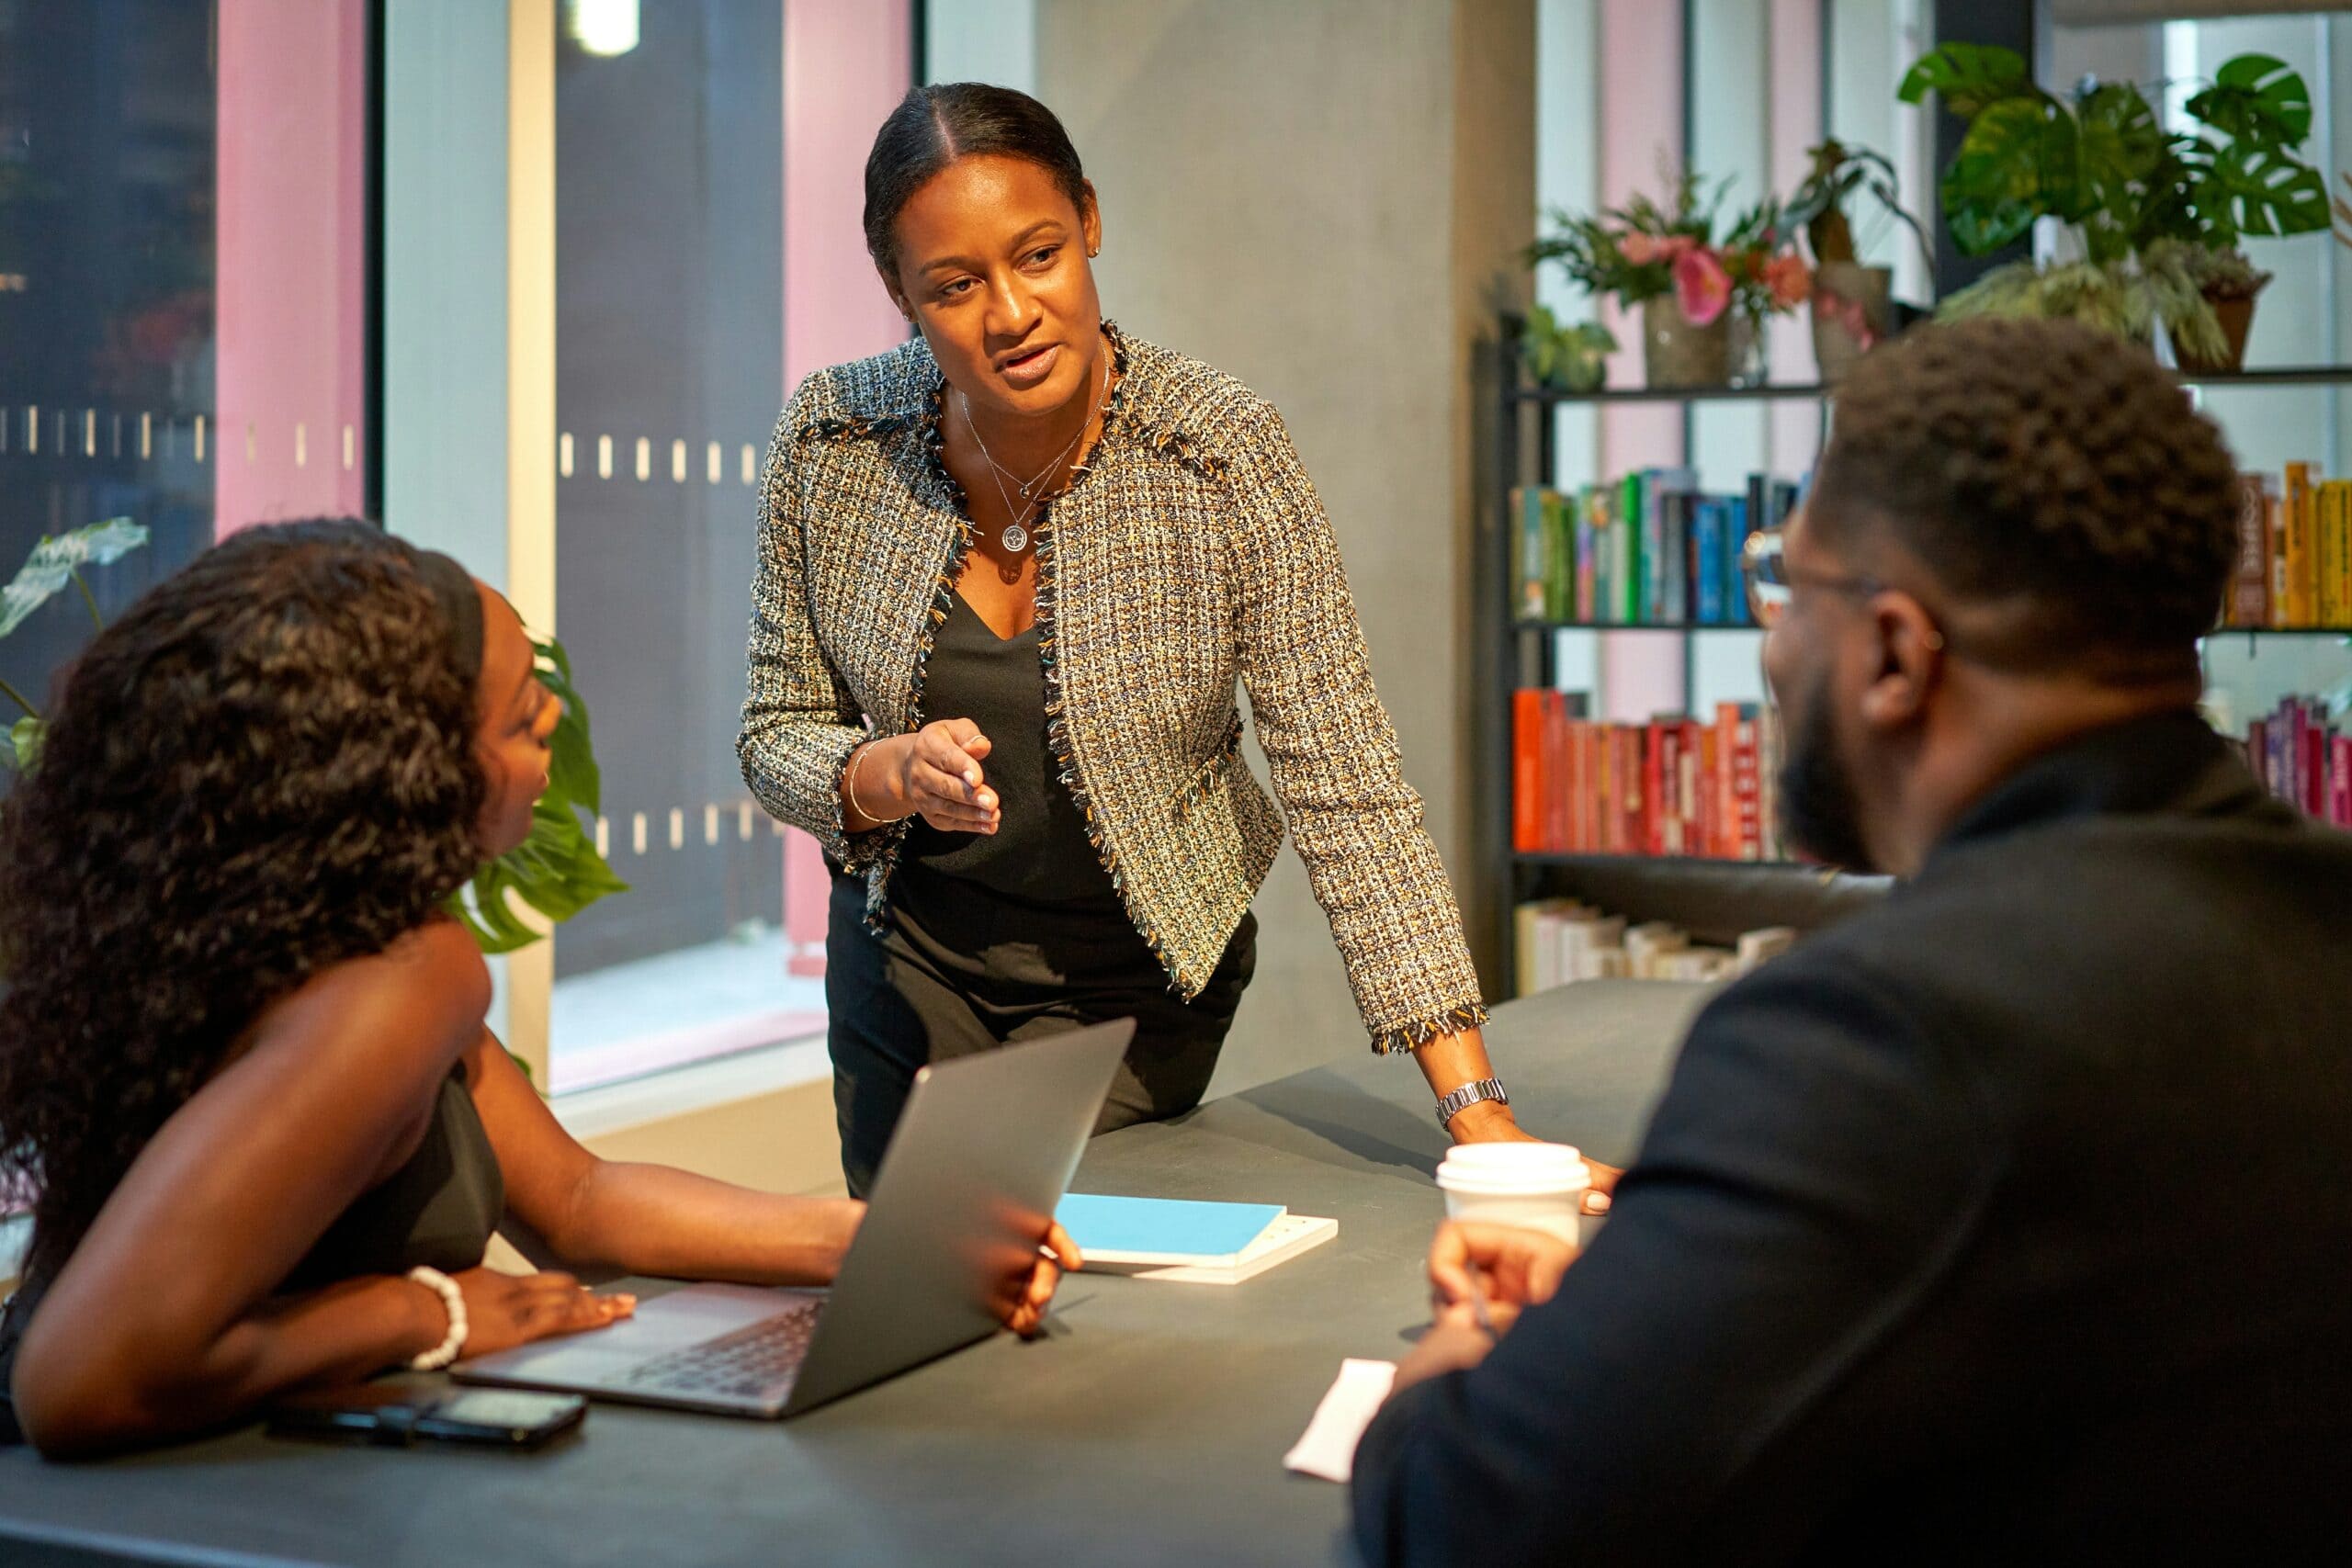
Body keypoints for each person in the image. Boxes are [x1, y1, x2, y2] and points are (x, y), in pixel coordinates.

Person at [1351, 318, 2352, 1563]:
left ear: (1890, 652)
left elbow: (1473, 1517)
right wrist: (1661, 1281)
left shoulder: (1876, 1035)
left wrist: (1453, 1372)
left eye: (1789, 583)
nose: (1773, 647)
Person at [0, 521, 1075, 1461]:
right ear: (407, 771)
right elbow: (74, 1383)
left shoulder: (345, 948)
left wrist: (883, 1243)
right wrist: (418, 1313)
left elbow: (575, 1202)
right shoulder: (393, 990)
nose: (555, 726)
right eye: (520, 721)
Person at [740, 83, 1532, 1199]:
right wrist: (880, 772)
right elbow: (775, 731)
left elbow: (1345, 783)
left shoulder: (1216, 452)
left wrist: (1472, 1108)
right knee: (918, 1316)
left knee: (1036, 1255)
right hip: (905, 972)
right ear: (899, 294)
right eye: (955, 286)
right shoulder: (832, 441)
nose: (1009, 313)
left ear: (1089, 223)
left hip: (1133, 982)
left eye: (1038, 255)